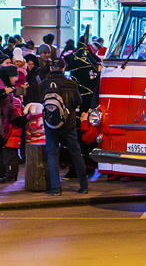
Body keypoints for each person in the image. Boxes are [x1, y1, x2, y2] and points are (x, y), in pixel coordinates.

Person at [39, 58, 88, 196]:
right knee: (75, 153)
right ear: (64, 67)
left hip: (50, 123)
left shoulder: (44, 84)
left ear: (50, 68)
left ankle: (56, 188)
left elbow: (40, 100)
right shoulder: (71, 83)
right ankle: (83, 186)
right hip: (69, 122)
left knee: (53, 154)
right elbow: (79, 101)